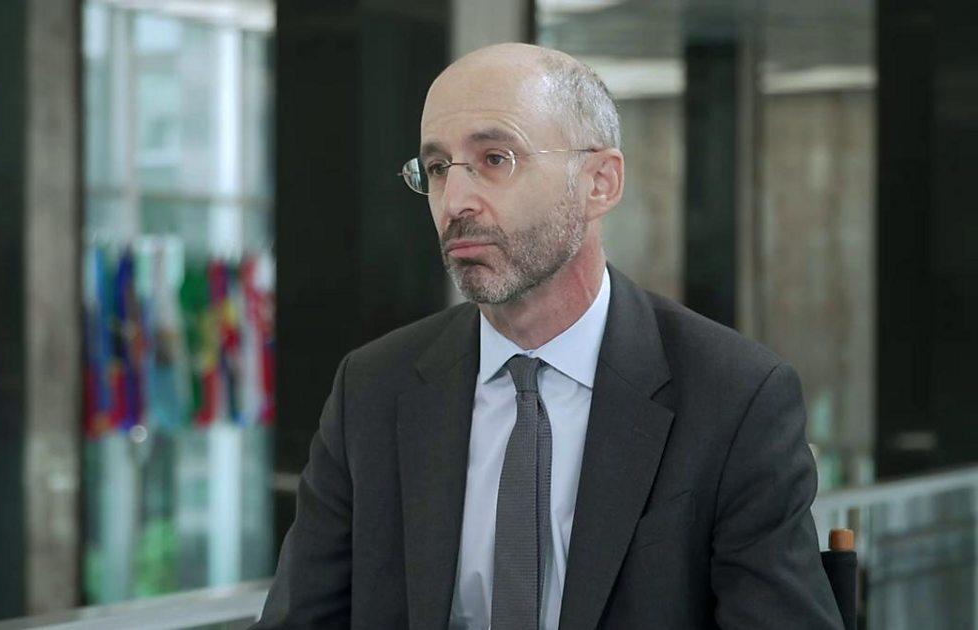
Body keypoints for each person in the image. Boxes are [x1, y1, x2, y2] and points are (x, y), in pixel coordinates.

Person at [253, 43, 843, 630]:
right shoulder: (373, 389)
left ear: (600, 182)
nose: (455, 202)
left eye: (495, 158)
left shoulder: (735, 397)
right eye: (437, 168)